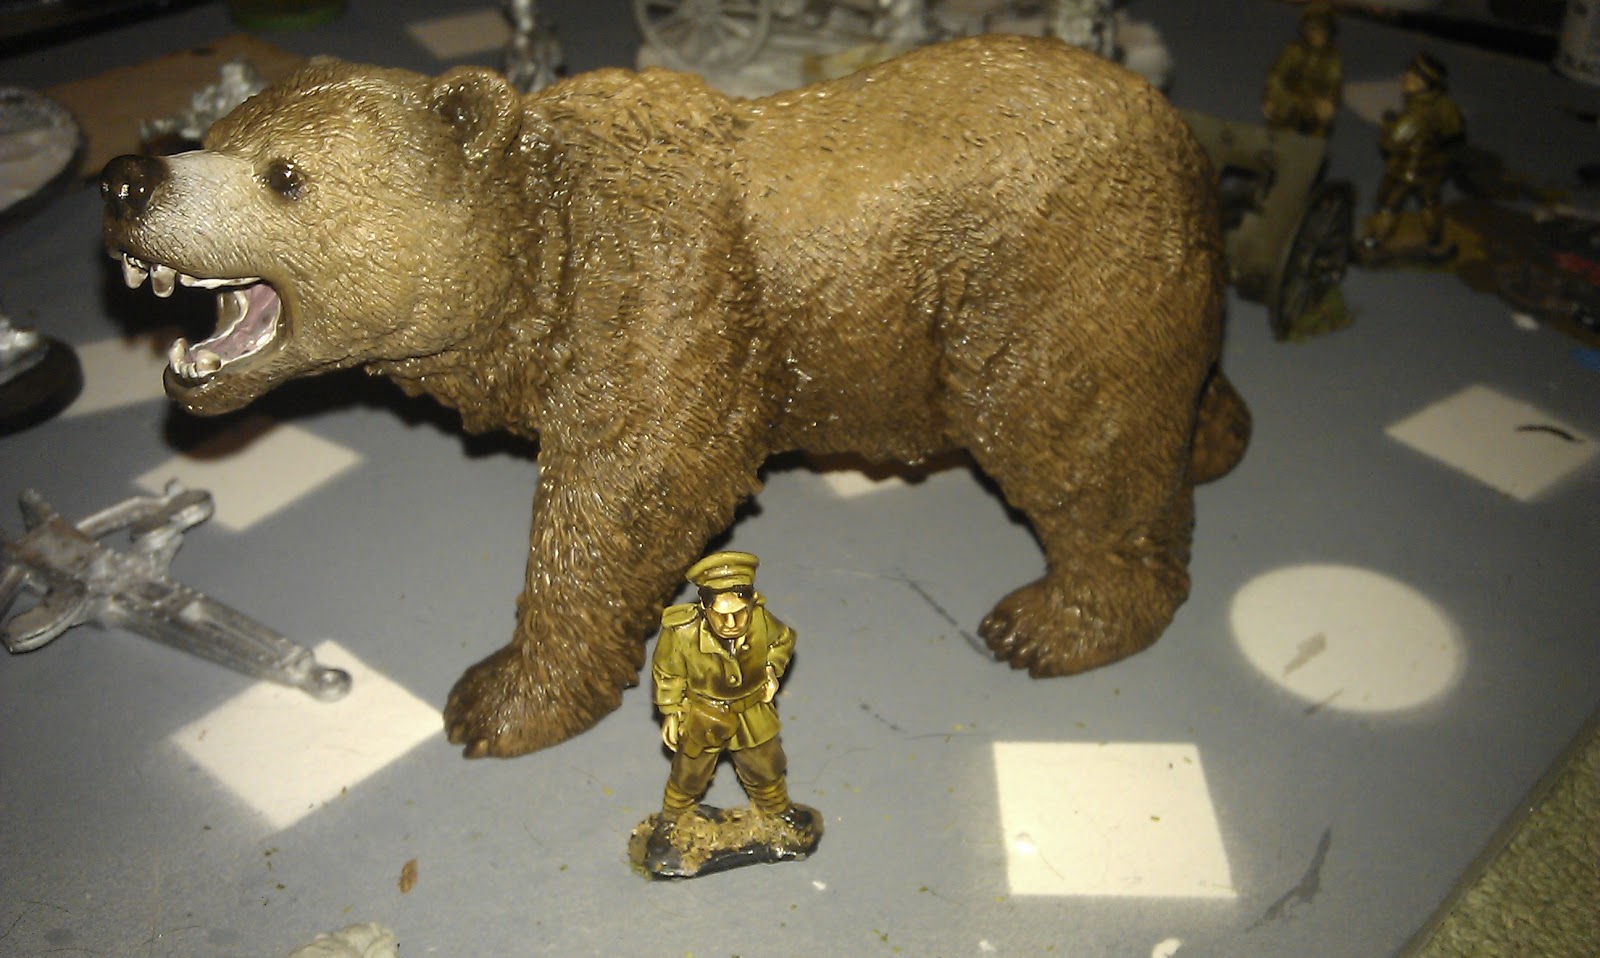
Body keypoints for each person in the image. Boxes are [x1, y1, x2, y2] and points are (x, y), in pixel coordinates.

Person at [651, 551, 799, 822]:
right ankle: (672, 820)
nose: (730, 623)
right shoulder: (682, 633)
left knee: (766, 768)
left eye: (739, 613)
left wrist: (771, 668)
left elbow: (783, 640)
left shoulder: (761, 620)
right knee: (689, 774)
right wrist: (671, 712)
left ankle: (778, 815)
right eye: (720, 615)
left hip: (752, 713)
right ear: (704, 607)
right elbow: (668, 672)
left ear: (752, 602)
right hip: (701, 716)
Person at [1360, 52, 1465, 259]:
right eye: (1409, 74)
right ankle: (1435, 242)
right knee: (1430, 203)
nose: (1406, 79)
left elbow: (1392, 142)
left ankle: (1373, 242)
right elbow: (1455, 130)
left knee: (1388, 205)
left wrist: (1388, 123)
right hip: (1431, 167)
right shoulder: (1444, 104)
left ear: (1424, 84)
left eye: (1414, 77)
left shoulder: (1415, 113)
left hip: (1405, 169)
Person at [1262, 2, 1342, 137]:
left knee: (1321, 120)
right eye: (1313, 29)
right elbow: (1276, 76)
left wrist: (1329, 101)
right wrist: (1270, 98)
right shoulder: (1293, 51)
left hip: (1312, 105)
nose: (1318, 34)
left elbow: (1334, 83)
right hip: (1288, 101)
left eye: (1322, 30)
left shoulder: (1332, 57)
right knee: (1283, 111)